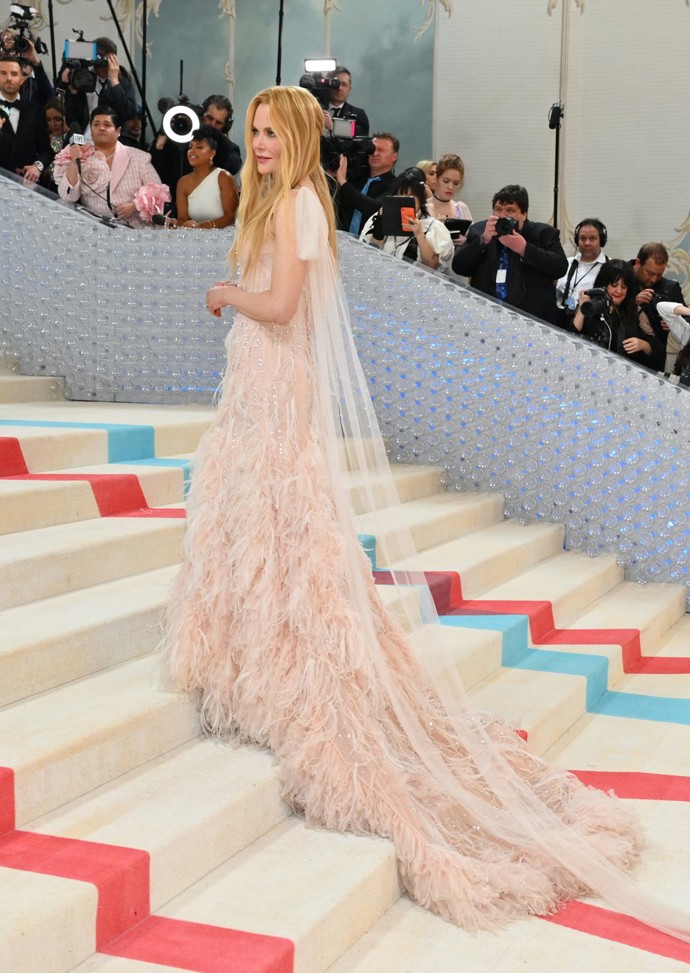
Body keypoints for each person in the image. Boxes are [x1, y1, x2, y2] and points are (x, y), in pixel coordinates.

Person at [161, 83, 690, 941]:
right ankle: (251, 652)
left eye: (269, 131)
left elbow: (285, 307)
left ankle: (286, 664)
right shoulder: (286, 199)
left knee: (284, 525)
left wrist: (227, 294)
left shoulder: (298, 202)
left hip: (273, 377)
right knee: (257, 526)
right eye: (251, 131)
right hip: (257, 385)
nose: (257, 143)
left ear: (296, 136)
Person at [452, 184, 568, 325]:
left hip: (530, 320)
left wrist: (524, 249)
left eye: (510, 210)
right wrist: (483, 240)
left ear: (524, 214)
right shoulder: (479, 231)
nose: (502, 215)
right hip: (487, 318)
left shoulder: (543, 233)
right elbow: (459, 267)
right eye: (498, 209)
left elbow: (560, 267)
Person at [54, 105, 168, 227]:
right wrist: (73, 162)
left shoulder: (139, 157)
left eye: (107, 125)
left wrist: (135, 206)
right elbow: (68, 197)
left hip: (134, 230)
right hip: (95, 230)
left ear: (118, 131)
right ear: (91, 130)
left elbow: (158, 192)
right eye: (96, 124)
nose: (101, 128)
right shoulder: (82, 155)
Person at [360, 166, 453, 271]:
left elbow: (431, 265)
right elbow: (370, 254)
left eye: (411, 196)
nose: (404, 200)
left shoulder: (433, 227)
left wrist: (419, 234)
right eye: (399, 195)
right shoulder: (378, 217)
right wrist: (380, 223)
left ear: (420, 198)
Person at [572, 258, 660, 366]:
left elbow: (657, 352)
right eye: (614, 285)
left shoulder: (634, 311)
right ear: (604, 284)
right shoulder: (590, 305)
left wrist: (644, 345)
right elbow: (570, 337)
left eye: (624, 287)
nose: (619, 291)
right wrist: (582, 308)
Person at [59, 36, 136, 137]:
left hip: (112, 138)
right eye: (100, 60)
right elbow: (72, 119)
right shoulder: (82, 79)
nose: (104, 66)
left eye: (108, 61)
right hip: (84, 136)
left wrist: (114, 82)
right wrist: (73, 93)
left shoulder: (123, 83)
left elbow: (128, 113)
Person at [629, 242, 686, 372]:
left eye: (659, 275)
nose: (654, 279)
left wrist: (676, 323)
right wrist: (633, 302)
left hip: (654, 363)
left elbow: (686, 320)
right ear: (638, 263)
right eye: (649, 273)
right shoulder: (619, 276)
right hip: (618, 355)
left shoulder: (669, 288)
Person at [174, 125, 238, 229]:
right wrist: (177, 223)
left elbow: (231, 217)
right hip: (194, 239)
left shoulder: (223, 177)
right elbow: (183, 218)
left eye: (199, 147)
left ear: (212, 153)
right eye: (190, 147)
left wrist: (202, 226)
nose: (192, 151)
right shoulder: (183, 182)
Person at [0, 53, 51, 182]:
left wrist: (37, 166)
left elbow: (46, 150)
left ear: (22, 79)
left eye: (14, 74)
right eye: (3, 73)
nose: (9, 78)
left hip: (28, 184)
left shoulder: (35, 110)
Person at [335, 131, 399, 234]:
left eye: (381, 150)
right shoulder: (354, 178)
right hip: (341, 240)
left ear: (394, 156)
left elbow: (374, 208)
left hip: (372, 245)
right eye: (372, 150)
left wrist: (343, 183)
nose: (375, 154)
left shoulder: (395, 184)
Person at [555, 218, 608, 329]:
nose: (587, 243)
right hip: (562, 323)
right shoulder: (565, 264)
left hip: (592, 327)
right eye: (583, 238)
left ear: (601, 241)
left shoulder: (610, 267)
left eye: (592, 239)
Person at [427, 152, 472, 246]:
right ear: (436, 178)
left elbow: (473, 244)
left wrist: (466, 242)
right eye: (446, 181)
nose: (450, 187)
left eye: (456, 183)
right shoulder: (424, 208)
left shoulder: (461, 208)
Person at [323, 66, 369, 137]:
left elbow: (360, 138)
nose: (339, 88)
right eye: (336, 84)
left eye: (344, 84)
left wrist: (333, 127)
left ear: (349, 89)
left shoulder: (358, 115)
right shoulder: (315, 111)